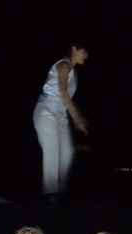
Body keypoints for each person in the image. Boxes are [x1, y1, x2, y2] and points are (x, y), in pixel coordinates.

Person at [34, 43, 90, 200]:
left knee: (68, 153)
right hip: (46, 112)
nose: (86, 56)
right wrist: (77, 119)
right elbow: (63, 91)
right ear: (74, 49)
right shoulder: (64, 65)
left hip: (60, 115)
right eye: (83, 52)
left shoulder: (75, 74)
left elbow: (67, 100)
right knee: (52, 151)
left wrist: (79, 116)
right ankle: (50, 194)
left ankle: (60, 193)